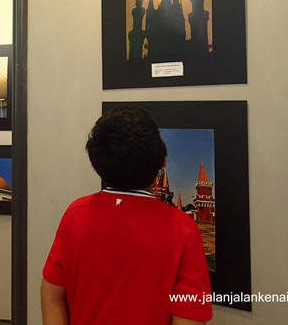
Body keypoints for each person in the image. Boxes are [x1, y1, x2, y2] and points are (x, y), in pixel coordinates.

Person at [41, 106, 213, 325]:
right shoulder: (183, 230)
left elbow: (52, 294)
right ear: (163, 161)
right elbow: (190, 318)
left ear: (97, 162)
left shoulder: (76, 213)